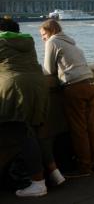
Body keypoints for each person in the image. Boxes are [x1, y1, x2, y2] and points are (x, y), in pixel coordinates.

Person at [0, 17, 65, 197]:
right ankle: (54, 172)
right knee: (38, 130)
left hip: (16, 88)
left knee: (22, 133)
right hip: (39, 86)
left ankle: (38, 183)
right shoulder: (27, 42)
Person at [40, 19, 94, 176]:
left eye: (43, 34)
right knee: (91, 127)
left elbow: (48, 70)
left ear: (51, 31)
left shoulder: (53, 42)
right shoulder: (72, 43)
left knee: (79, 129)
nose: (42, 38)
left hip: (75, 87)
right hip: (91, 85)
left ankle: (84, 167)